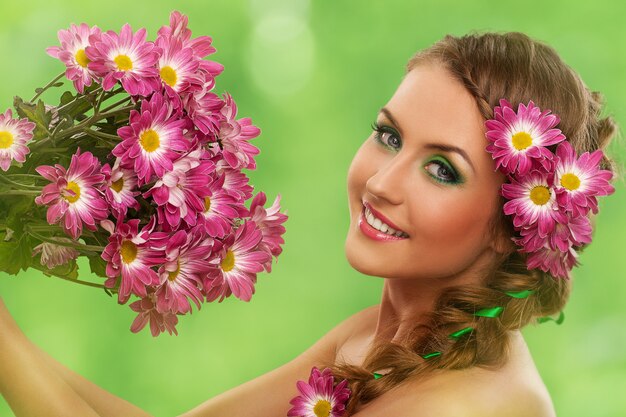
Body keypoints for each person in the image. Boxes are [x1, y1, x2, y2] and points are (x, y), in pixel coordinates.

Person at [0, 31, 619, 417]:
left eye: (442, 170)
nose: (380, 182)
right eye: (388, 136)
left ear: (512, 225)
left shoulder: (454, 405)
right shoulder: (378, 342)